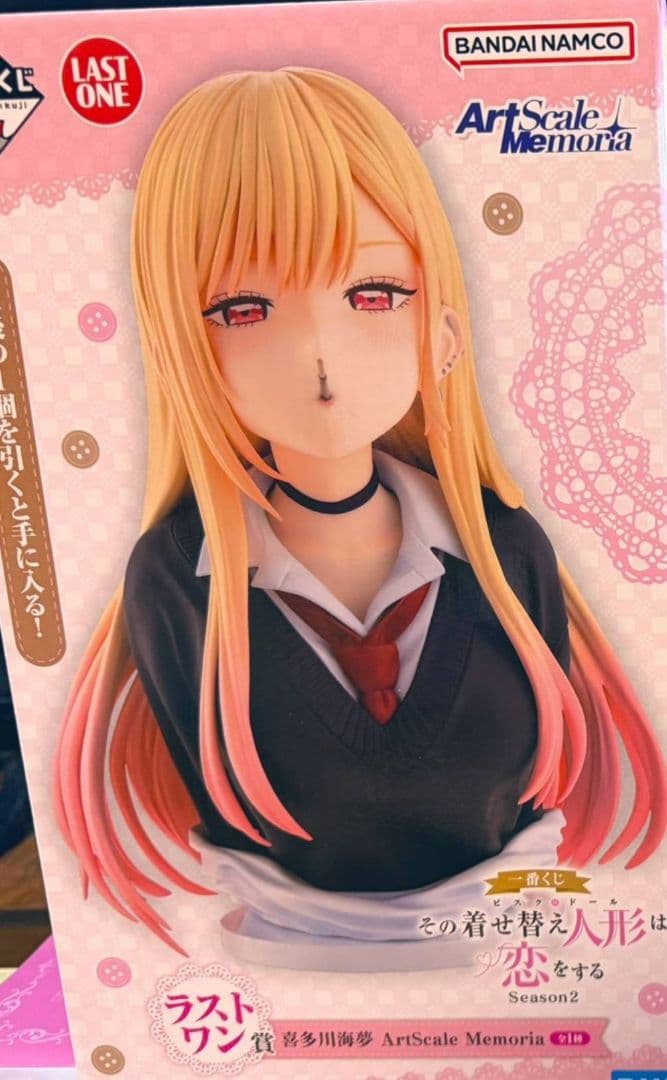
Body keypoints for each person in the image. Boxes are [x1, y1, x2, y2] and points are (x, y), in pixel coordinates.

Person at [53, 68, 666, 955]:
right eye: (242, 309)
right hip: (277, 957)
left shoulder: (504, 549)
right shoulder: (176, 576)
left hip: (513, 947)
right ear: (180, 347)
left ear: (443, 332)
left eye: (373, 294)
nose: (318, 354)